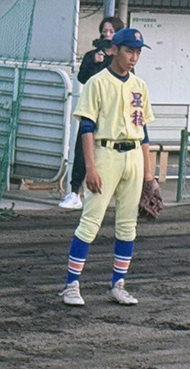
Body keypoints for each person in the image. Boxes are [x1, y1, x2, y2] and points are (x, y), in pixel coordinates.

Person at [59, 28, 155, 306]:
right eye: (129, 51)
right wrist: (90, 167)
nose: (134, 57)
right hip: (106, 154)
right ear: (114, 50)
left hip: (134, 155)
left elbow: (144, 131)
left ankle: (118, 285)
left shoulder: (140, 85)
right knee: (90, 222)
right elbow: (86, 128)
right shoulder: (97, 83)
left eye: (137, 52)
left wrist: (149, 174)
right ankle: (71, 286)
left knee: (128, 225)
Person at [60, 16, 124, 210]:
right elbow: (83, 77)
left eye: (111, 31)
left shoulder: (120, 57)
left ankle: (108, 189)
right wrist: (95, 62)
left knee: (108, 150)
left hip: (111, 112)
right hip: (91, 108)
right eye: (105, 31)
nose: (107, 35)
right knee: (82, 149)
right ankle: (74, 191)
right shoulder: (92, 55)